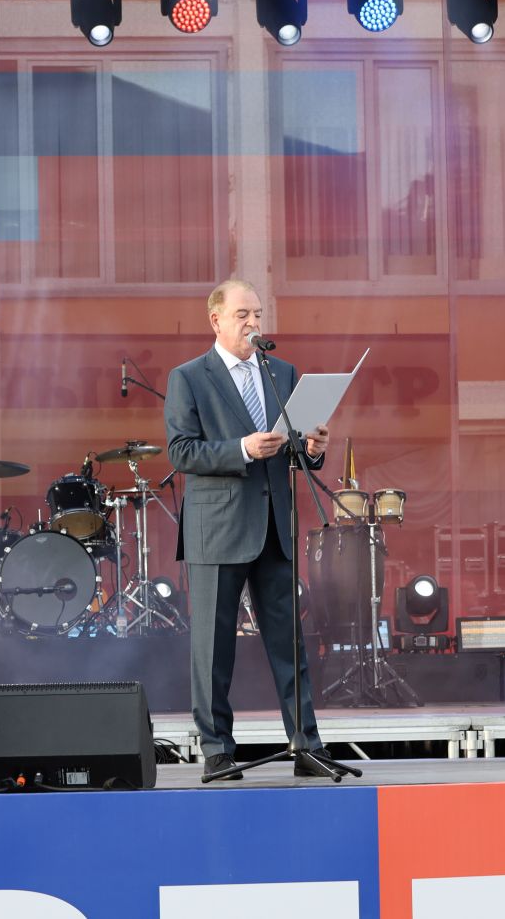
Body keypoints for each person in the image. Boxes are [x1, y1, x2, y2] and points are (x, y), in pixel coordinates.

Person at [163, 280, 332, 782]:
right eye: (243, 315)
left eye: (257, 313)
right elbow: (181, 451)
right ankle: (217, 749)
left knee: (289, 644)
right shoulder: (189, 377)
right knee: (214, 647)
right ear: (215, 320)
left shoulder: (282, 373)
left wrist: (312, 449)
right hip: (217, 528)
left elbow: (294, 449)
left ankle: (307, 745)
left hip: (274, 525)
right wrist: (241, 449)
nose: (254, 323)